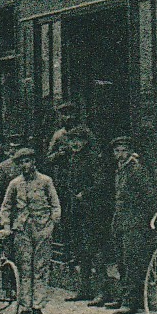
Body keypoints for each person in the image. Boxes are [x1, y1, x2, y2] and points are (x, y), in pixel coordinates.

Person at [0, 146, 62, 314]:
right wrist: (6, 225)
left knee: (40, 268)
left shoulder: (45, 181)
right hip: (22, 229)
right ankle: (25, 306)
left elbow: (55, 204)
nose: (25, 166)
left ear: (34, 162)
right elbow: (6, 206)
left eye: (27, 161)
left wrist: (52, 222)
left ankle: (37, 306)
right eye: (21, 163)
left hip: (42, 228)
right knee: (24, 267)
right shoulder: (15, 184)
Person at [53, 126, 109, 303]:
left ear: (85, 142)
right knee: (80, 251)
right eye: (71, 140)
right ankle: (84, 289)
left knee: (96, 251)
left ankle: (102, 291)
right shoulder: (72, 159)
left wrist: (85, 193)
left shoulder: (94, 159)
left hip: (93, 210)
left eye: (78, 140)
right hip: (76, 211)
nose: (75, 144)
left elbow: (102, 183)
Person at [110, 136, 156, 314]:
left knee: (132, 262)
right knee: (121, 260)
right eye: (117, 151)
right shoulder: (120, 170)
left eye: (123, 151)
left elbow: (149, 195)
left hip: (134, 222)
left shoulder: (136, 170)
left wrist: (141, 218)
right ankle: (123, 297)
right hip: (121, 221)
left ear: (129, 151)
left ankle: (131, 302)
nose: (120, 154)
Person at [0, 136, 26, 219]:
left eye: (19, 148)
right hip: (9, 209)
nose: (17, 151)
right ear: (10, 149)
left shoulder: (29, 165)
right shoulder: (2, 167)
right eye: (14, 148)